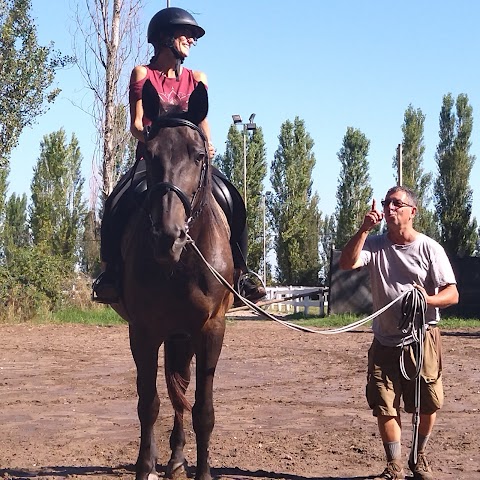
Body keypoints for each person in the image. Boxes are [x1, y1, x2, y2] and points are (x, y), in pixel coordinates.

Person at [92, 7, 266, 305]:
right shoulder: (142, 74)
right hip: (155, 161)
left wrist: (207, 143)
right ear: (164, 38)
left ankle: (242, 272)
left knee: (232, 198)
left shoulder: (197, 77)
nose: (192, 41)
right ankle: (112, 273)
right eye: (187, 35)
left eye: (194, 37)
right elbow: (136, 122)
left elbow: (202, 120)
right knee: (116, 201)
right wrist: (148, 139)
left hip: (191, 161)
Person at [339, 186, 458, 480]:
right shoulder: (376, 245)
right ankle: (394, 465)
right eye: (386, 203)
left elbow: (452, 294)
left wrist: (426, 300)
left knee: (428, 402)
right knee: (384, 404)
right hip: (384, 340)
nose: (389, 208)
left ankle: (419, 458)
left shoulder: (430, 248)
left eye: (396, 203)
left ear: (411, 211)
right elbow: (347, 262)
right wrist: (364, 230)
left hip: (423, 338)